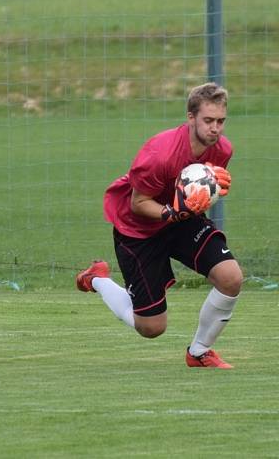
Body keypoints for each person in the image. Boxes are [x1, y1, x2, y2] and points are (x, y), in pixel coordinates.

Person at [76, 82, 242, 368]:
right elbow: (138, 203)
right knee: (151, 328)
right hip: (138, 230)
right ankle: (97, 279)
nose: (215, 128)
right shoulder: (160, 155)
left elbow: (194, 197)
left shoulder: (222, 150)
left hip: (181, 221)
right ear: (190, 117)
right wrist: (173, 213)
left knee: (231, 278)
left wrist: (207, 193)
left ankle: (199, 352)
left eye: (220, 121)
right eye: (208, 120)